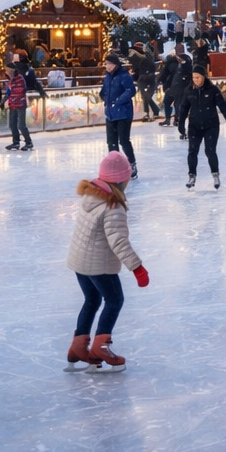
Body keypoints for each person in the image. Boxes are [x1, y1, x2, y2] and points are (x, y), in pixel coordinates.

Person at [65, 151, 147, 371]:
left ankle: (77, 347)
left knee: (91, 300)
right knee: (114, 300)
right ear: (122, 180)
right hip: (97, 265)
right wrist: (137, 268)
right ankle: (101, 347)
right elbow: (118, 241)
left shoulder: (91, 195)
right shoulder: (113, 206)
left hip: (79, 261)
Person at [177, 64, 226, 189]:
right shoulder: (189, 90)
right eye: (194, 77)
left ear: (204, 77)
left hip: (211, 125)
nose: (196, 80)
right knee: (192, 151)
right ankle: (192, 176)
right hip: (194, 126)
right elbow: (184, 108)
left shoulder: (212, 90)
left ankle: (215, 174)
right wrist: (181, 123)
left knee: (210, 151)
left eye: (198, 77)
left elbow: (222, 106)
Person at [100, 53, 139, 178]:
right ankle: (114, 166)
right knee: (111, 142)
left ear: (115, 65)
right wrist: (104, 98)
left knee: (123, 140)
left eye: (109, 64)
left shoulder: (124, 76)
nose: (107, 66)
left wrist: (117, 101)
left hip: (123, 113)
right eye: (106, 64)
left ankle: (132, 163)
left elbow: (130, 90)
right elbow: (104, 91)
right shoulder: (108, 77)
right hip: (110, 114)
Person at [0, 59, 33, 151]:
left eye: (8, 70)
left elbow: (20, 90)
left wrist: (12, 97)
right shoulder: (9, 81)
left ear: (13, 71)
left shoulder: (20, 79)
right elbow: (8, 93)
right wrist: (3, 102)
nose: (7, 72)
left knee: (21, 125)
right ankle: (16, 142)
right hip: (13, 105)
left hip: (20, 104)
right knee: (12, 124)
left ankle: (29, 142)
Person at [129, 45, 159, 121]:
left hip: (145, 80)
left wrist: (136, 75)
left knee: (146, 97)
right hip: (145, 80)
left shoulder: (143, 60)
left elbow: (139, 70)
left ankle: (148, 113)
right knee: (146, 97)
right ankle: (154, 111)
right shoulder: (146, 60)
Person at [157, 48, 182, 127]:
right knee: (177, 103)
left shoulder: (168, 65)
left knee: (167, 102)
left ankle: (168, 119)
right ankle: (177, 119)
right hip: (179, 87)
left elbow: (163, 75)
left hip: (171, 87)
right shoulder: (179, 65)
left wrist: (160, 80)